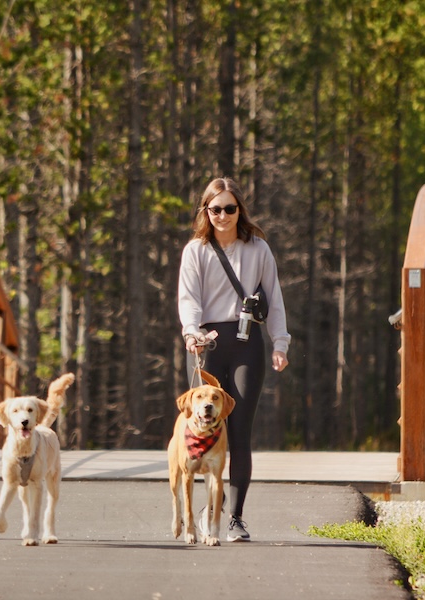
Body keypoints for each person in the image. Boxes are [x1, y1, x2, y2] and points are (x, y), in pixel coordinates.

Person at [177, 177, 291, 542]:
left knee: (239, 430)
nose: (223, 215)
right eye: (215, 209)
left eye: (229, 208)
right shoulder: (196, 250)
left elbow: (273, 296)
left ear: (239, 210)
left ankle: (236, 518)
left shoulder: (258, 249)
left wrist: (280, 343)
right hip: (206, 344)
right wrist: (191, 332)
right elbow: (189, 298)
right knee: (202, 428)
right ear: (205, 212)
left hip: (246, 343)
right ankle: (210, 504)